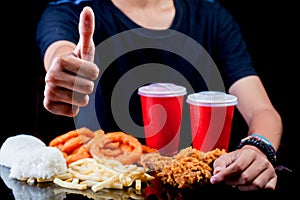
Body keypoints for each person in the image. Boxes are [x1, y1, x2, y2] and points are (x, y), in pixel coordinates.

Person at [36, 0, 282, 191]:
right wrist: (68, 71)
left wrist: (258, 148)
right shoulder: (71, 11)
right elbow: (61, 52)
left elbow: (261, 110)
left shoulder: (211, 16)